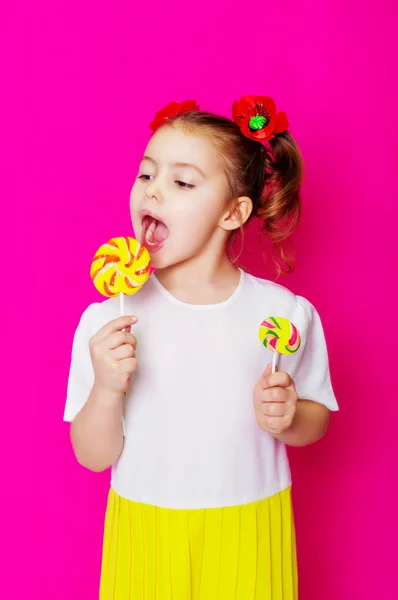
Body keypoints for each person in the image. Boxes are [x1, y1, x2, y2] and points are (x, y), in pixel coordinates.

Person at [64, 96, 338, 599]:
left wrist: (290, 415)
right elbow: (92, 455)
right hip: (146, 531)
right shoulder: (108, 319)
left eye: (182, 181)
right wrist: (105, 388)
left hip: (251, 527)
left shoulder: (282, 315)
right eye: (146, 175)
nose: (154, 192)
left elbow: (317, 420)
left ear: (234, 212)